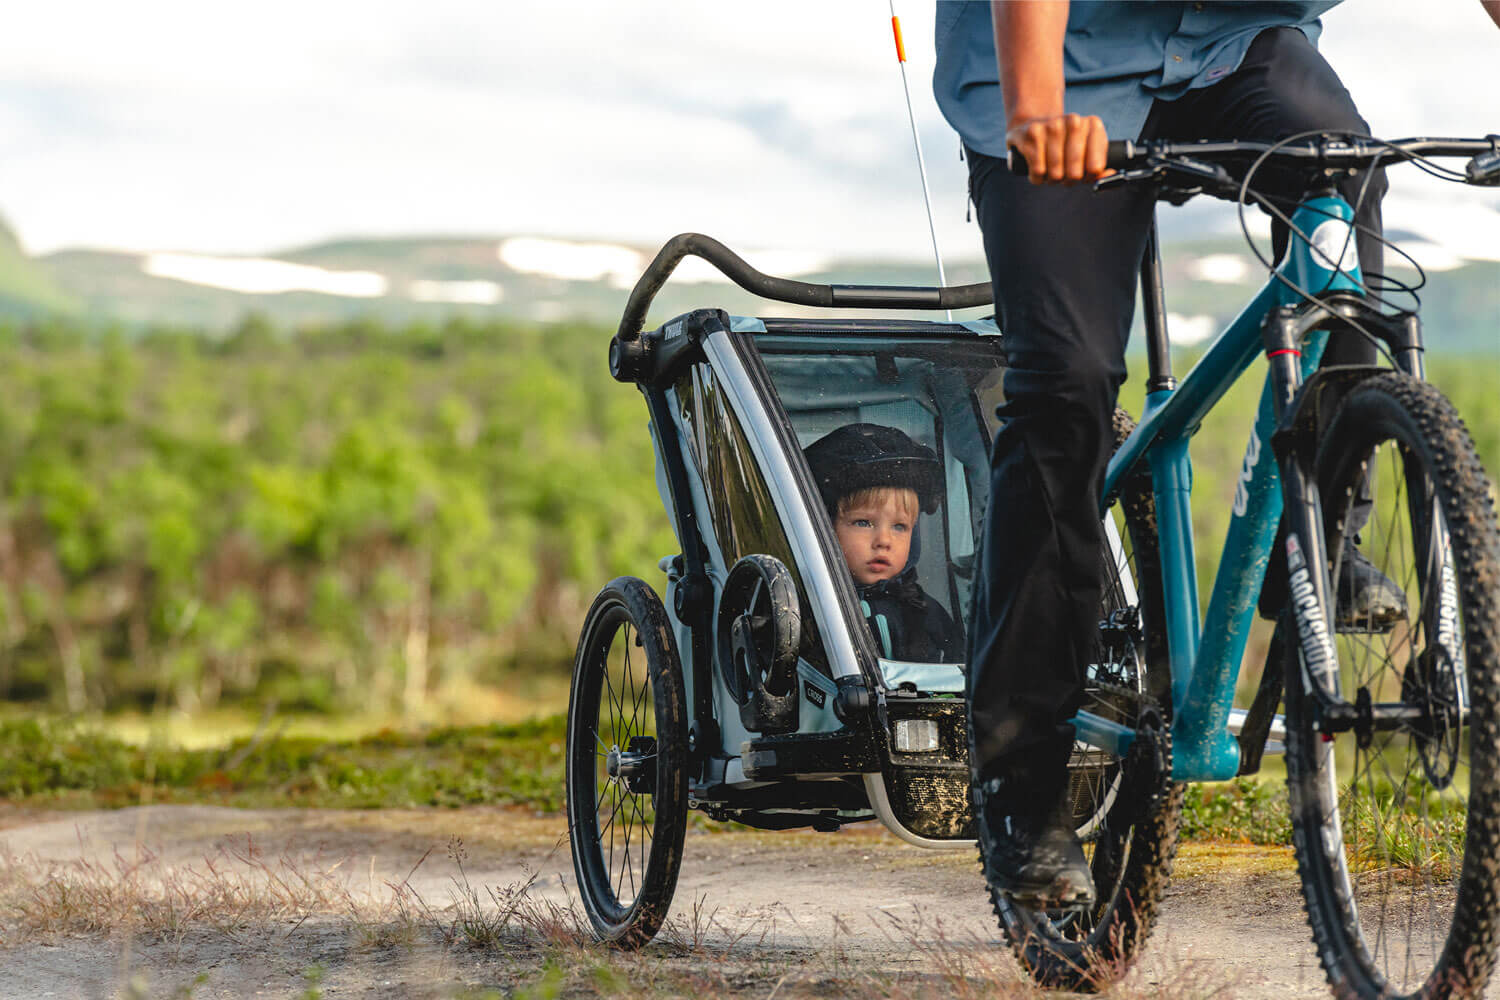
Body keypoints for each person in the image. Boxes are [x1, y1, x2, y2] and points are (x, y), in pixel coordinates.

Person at [934, 0, 1500, 910]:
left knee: (1343, 179)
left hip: (1235, 50)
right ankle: (1021, 776)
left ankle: (1316, 538)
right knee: (1065, 388)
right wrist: (1035, 110)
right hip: (1055, 62)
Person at [803, 423, 963, 664]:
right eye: (863, 523)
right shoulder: (808, 613)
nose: (884, 541)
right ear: (824, 527)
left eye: (899, 527)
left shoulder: (924, 613)